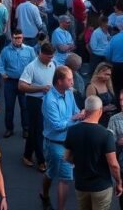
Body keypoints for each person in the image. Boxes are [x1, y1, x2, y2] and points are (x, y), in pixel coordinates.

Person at [64, 95, 123, 210]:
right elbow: (113, 165)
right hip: (101, 186)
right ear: (100, 111)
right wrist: (119, 182)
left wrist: (79, 162)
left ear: (85, 111)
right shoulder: (106, 135)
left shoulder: (72, 131)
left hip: (81, 185)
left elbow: (66, 157)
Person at [41, 66, 86, 210]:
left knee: (65, 178)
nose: (73, 82)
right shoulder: (50, 100)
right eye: (69, 79)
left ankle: (54, 203)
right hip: (55, 143)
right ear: (59, 81)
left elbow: (76, 110)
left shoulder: (69, 93)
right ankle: (45, 194)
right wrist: (75, 118)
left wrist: (81, 114)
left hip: (68, 142)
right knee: (52, 173)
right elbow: (57, 126)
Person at [18, 42, 56, 172]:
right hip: (34, 102)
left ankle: (27, 155)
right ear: (41, 53)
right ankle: (41, 160)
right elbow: (21, 86)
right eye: (48, 57)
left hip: (48, 101)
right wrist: (41, 88)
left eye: (52, 57)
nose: (50, 59)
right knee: (39, 131)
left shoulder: (53, 64)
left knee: (35, 131)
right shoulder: (31, 67)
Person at [0, 30, 35, 139]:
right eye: (16, 37)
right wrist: (3, 73)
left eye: (20, 37)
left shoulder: (29, 50)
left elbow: (34, 65)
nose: (18, 40)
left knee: (25, 107)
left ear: (22, 38)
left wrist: (31, 78)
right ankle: (9, 129)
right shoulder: (5, 51)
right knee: (9, 107)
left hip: (24, 82)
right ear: (12, 38)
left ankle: (26, 129)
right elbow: (0, 64)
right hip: (10, 82)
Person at [85, 62, 117, 127]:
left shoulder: (108, 85)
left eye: (109, 75)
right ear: (99, 73)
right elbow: (90, 108)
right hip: (99, 121)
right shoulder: (91, 87)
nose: (107, 77)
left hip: (111, 119)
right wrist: (104, 108)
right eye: (105, 74)